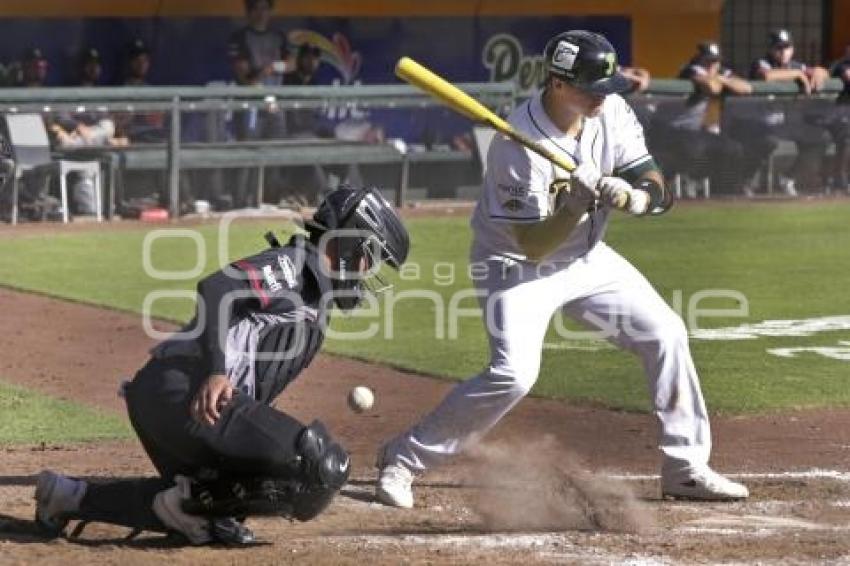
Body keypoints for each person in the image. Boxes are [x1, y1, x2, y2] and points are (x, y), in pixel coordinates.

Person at [375, 30, 749, 509]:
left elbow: (654, 179)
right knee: (514, 373)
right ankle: (402, 459)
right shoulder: (517, 145)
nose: (602, 95)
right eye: (591, 87)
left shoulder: (609, 109)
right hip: (515, 266)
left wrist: (636, 196)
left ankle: (686, 467)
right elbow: (532, 246)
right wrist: (573, 204)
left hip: (587, 258)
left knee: (666, 333)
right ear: (556, 83)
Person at [33, 187, 410, 545]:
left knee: (215, 502)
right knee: (323, 466)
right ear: (345, 239)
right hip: (182, 390)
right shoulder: (294, 266)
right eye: (367, 253)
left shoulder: (314, 304)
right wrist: (217, 372)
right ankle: (183, 506)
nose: (365, 267)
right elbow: (217, 288)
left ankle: (70, 497)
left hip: (183, 407)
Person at [651, 42, 757, 196]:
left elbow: (747, 88)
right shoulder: (691, 69)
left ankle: (703, 182)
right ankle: (673, 177)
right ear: (700, 59)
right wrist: (720, 80)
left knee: (731, 148)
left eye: (715, 60)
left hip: (692, 130)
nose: (712, 64)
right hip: (668, 128)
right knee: (694, 147)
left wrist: (720, 78)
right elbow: (712, 87)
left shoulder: (718, 72)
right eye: (708, 60)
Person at [746, 29, 831, 194]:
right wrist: (799, 74)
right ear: (770, 49)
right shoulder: (762, 62)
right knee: (767, 142)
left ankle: (788, 178)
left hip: (783, 124)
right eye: (779, 48)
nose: (783, 52)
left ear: (792, 49)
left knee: (820, 138)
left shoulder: (795, 65)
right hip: (757, 124)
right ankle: (746, 181)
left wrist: (818, 72)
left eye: (787, 47)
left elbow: (824, 72)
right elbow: (766, 76)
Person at [227, 0, 291, 87]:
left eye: (264, 8)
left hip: (275, 92)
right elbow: (241, 68)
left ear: (270, 11)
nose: (260, 13)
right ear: (248, 12)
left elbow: (291, 64)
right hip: (249, 93)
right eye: (255, 8)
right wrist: (252, 83)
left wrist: (272, 68)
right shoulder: (239, 37)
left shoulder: (279, 36)